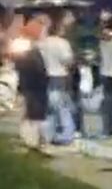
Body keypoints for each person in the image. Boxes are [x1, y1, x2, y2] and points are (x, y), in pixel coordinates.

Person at [39, 14, 76, 145]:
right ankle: (67, 134)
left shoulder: (43, 43)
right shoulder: (63, 43)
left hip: (46, 75)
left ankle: (49, 134)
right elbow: (68, 60)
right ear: (59, 29)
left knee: (49, 107)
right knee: (62, 106)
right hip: (60, 75)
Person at [15, 18, 50, 149]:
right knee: (34, 113)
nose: (44, 35)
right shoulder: (30, 50)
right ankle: (33, 140)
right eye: (43, 32)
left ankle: (33, 139)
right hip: (34, 86)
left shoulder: (27, 48)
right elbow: (36, 69)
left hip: (30, 86)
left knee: (32, 112)